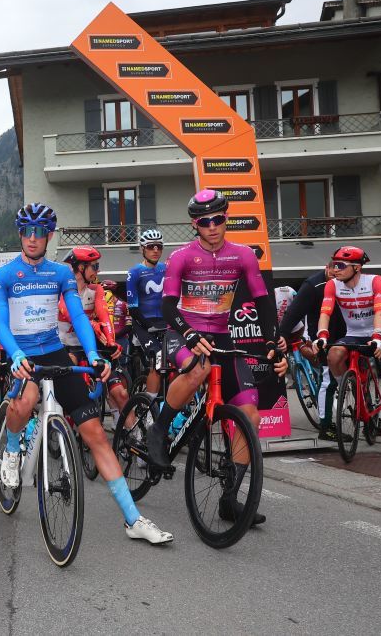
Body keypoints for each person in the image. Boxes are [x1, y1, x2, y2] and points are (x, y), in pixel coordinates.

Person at [0, 203, 173, 544]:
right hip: (21, 352)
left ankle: (133, 519)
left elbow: (77, 315)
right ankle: (12, 450)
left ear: (48, 236)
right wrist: (14, 353)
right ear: (20, 235)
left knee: (96, 434)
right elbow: (0, 321)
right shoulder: (3, 276)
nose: (32, 238)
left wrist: (92, 355)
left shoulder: (59, 274)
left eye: (39, 232)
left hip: (54, 351)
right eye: (27, 232)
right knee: (26, 398)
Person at [148, 189, 286, 526]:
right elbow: (167, 306)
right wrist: (190, 333)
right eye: (204, 222)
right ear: (195, 225)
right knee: (198, 371)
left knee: (249, 416)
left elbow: (263, 300)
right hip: (183, 331)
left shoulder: (242, 255)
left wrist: (273, 339)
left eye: (218, 219)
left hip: (221, 334)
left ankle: (229, 498)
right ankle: (159, 429)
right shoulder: (181, 257)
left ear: (226, 219)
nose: (212, 226)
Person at [315, 246, 381, 460]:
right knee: (333, 354)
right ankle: (347, 386)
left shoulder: (375, 281)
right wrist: (321, 335)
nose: (335, 269)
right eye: (333, 264)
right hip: (353, 334)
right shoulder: (332, 285)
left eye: (340, 265)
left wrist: (378, 337)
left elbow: (380, 311)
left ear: (357, 267)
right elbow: (326, 312)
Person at [60, 247, 129, 428]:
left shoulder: (96, 289)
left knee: (121, 394)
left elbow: (104, 316)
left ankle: (135, 438)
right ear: (80, 268)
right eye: (94, 266)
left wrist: (112, 342)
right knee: (70, 389)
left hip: (91, 347)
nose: (98, 271)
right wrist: (92, 325)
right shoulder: (63, 289)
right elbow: (70, 314)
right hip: (67, 346)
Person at [278, 263, 344, 440]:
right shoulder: (313, 285)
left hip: (349, 334)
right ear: (327, 267)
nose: (337, 273)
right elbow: (293, 313)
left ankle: (369, 419)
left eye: (341, 269)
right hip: (320, 336)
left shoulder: (349, 281)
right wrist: (282, 335)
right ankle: (326, 426)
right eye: (333, 269)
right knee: (327, 379)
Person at [126, 229, 166, 401]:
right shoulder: (135, 272)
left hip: (165, 321)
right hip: (143, 323)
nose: (155, 250)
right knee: (157, 361)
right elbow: (133, 308)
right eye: (151, 247)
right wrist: (149, 326)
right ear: (143, 249)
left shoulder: (167, 268)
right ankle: (149, 407)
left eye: (159, 246)